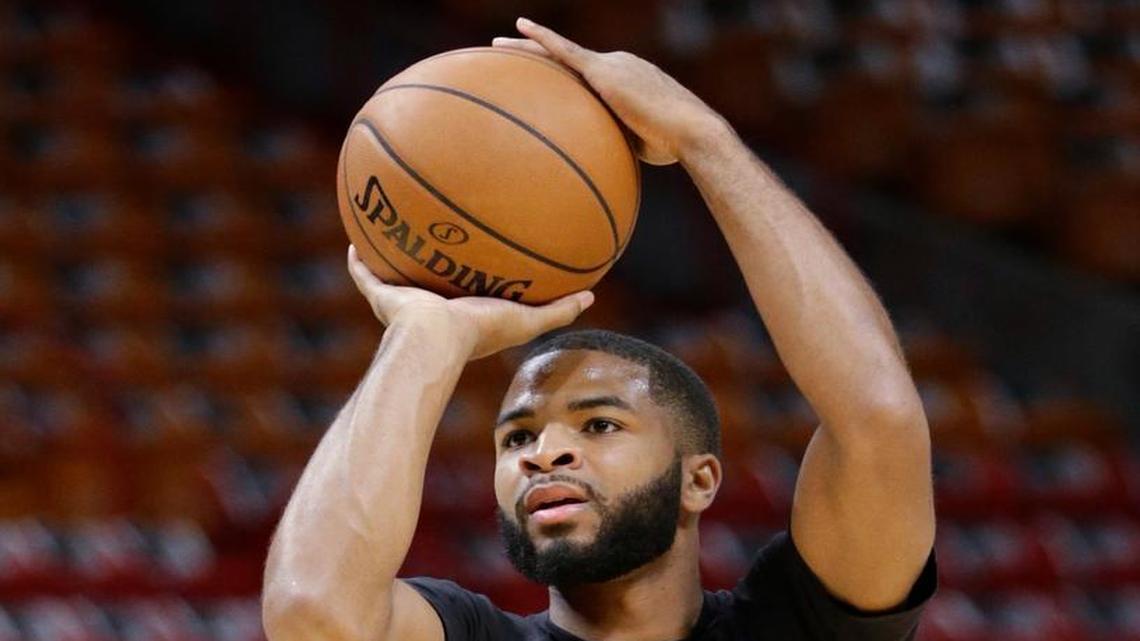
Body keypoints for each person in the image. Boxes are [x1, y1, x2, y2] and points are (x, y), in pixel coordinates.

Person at [263, 17, 937, 641]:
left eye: (600, 423)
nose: (544, 453)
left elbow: (879, 419)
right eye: (517, 437)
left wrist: (703, 139)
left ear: (698, 480)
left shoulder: (790, 628)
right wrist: (424, 336)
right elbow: (311, 611)